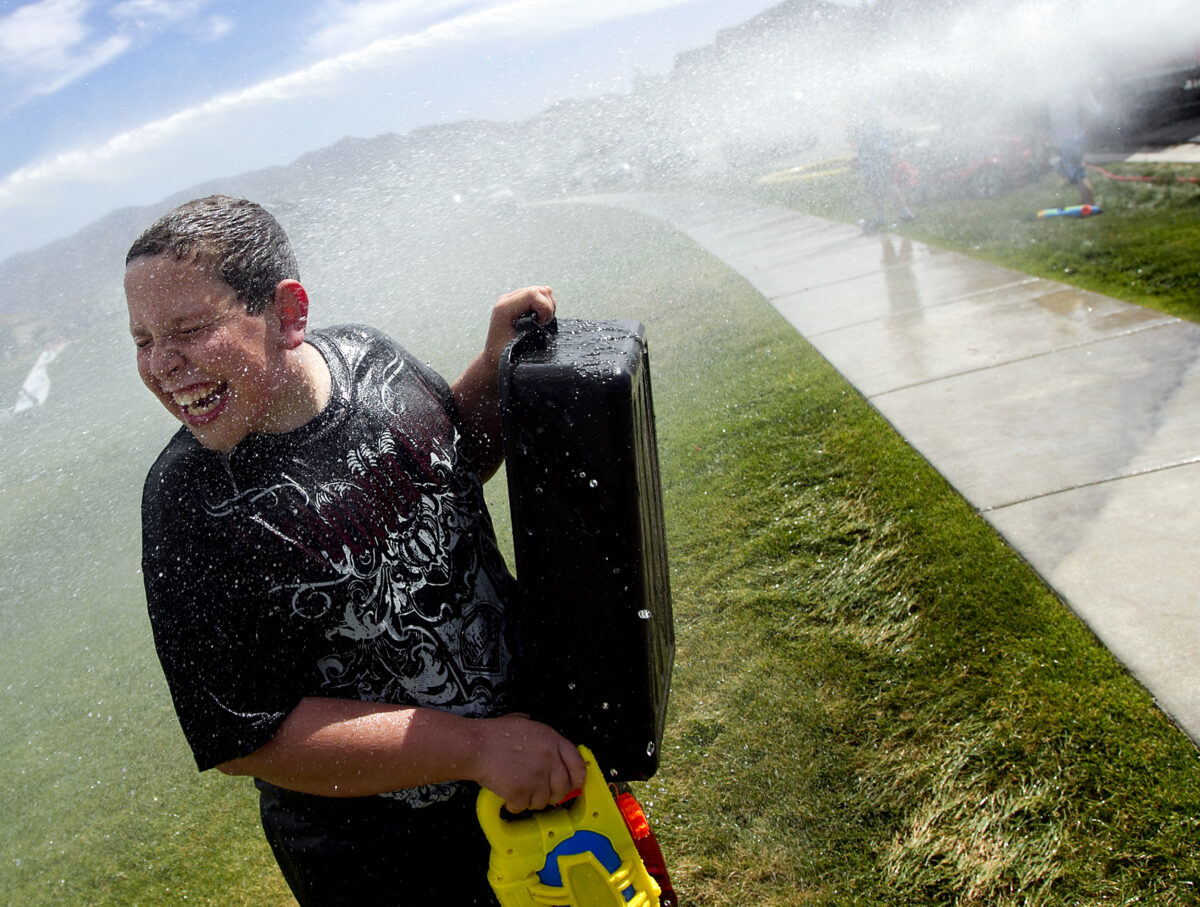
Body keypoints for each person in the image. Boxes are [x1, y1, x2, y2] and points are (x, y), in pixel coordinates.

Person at [125, 194, 587, 905]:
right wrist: (479, 747)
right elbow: (249, 731)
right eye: (143, 338)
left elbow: (449, 455)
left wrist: (494, 364)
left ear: (287, 312)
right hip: (382, 860)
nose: (163, 363)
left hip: (536, 767)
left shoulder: (374, 362)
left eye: (189, 328)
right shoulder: (188, 502)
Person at [852, 110, 915, 234]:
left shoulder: (872, 134)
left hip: (877, 167)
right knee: (875, 192)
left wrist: (877, 161)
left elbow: (881, 149)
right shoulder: (867, 134)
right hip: (871, 167)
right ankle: (881, 217)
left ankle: (904, 214)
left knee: (889, 189)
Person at [1048, 89, 1096, 206]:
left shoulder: (1055, 101)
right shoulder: (1069, 98)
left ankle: (1089, 203)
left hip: (1067, 143)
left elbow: (1053, 125)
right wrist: (1084, 132)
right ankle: (1085, 200)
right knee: (1072, 171)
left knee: (1078, 175)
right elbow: (1084, 115)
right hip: (1076, 140)